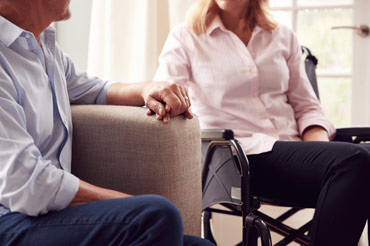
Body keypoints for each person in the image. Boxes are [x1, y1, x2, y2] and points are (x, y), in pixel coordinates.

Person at [154, 0, 370, 245]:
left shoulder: (282, 36)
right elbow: (164, 96)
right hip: (239, 159)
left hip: (293, 151)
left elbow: (307, 106)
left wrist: (320, 149)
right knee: (355, 160)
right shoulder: (186, 38)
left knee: (360, 159)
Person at [0, 0, 214, 245]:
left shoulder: (44, 47)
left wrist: (147, 89)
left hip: (46, 216)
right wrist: (126, 203)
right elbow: (26, 182)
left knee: (199, 245)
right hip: (10, 220)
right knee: (157, 216)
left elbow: (93, 88)